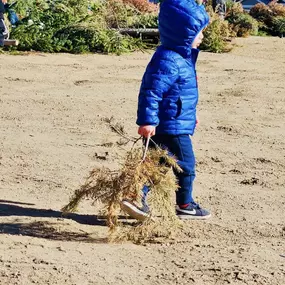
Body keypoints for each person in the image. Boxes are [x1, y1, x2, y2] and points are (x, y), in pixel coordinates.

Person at [121, 0, 211, 221]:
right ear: (182, 33)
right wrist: (147, 121)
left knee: (157, 166)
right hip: (170, 127)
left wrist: (192, 114)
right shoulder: (170, 60)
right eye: (198, 33)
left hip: (175, 121)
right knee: (185, 166)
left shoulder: (182, 58)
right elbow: (151, 92)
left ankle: (135, 198)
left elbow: (180, 94)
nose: (201, 37)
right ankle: (185, 205)